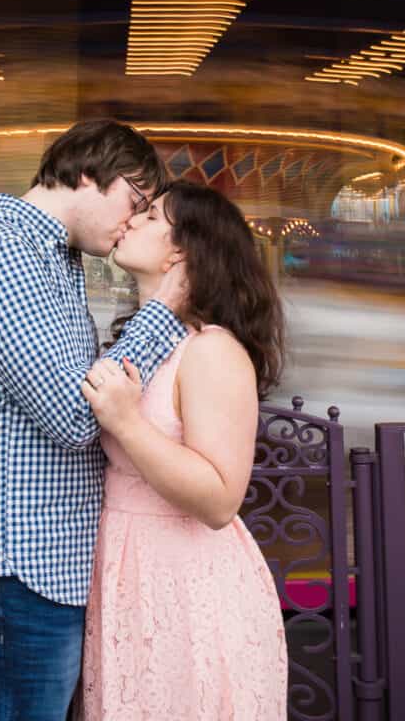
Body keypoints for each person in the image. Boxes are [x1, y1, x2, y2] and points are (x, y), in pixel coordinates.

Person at [0, 119, 188, 721]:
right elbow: (75, 413)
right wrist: (169, 310)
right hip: (16, 566)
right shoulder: (4, 256)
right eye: (136, 201)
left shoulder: (49, 260)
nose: (134, 219)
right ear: (90, 173)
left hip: (34, 567)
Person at [80, 180, 289, 720]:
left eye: (150, 216)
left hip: (187, 585)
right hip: (127, 572)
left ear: (181, 249)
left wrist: (127, 423)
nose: (131, 220)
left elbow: (220, 499)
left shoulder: (212, 350)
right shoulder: (150, 343)